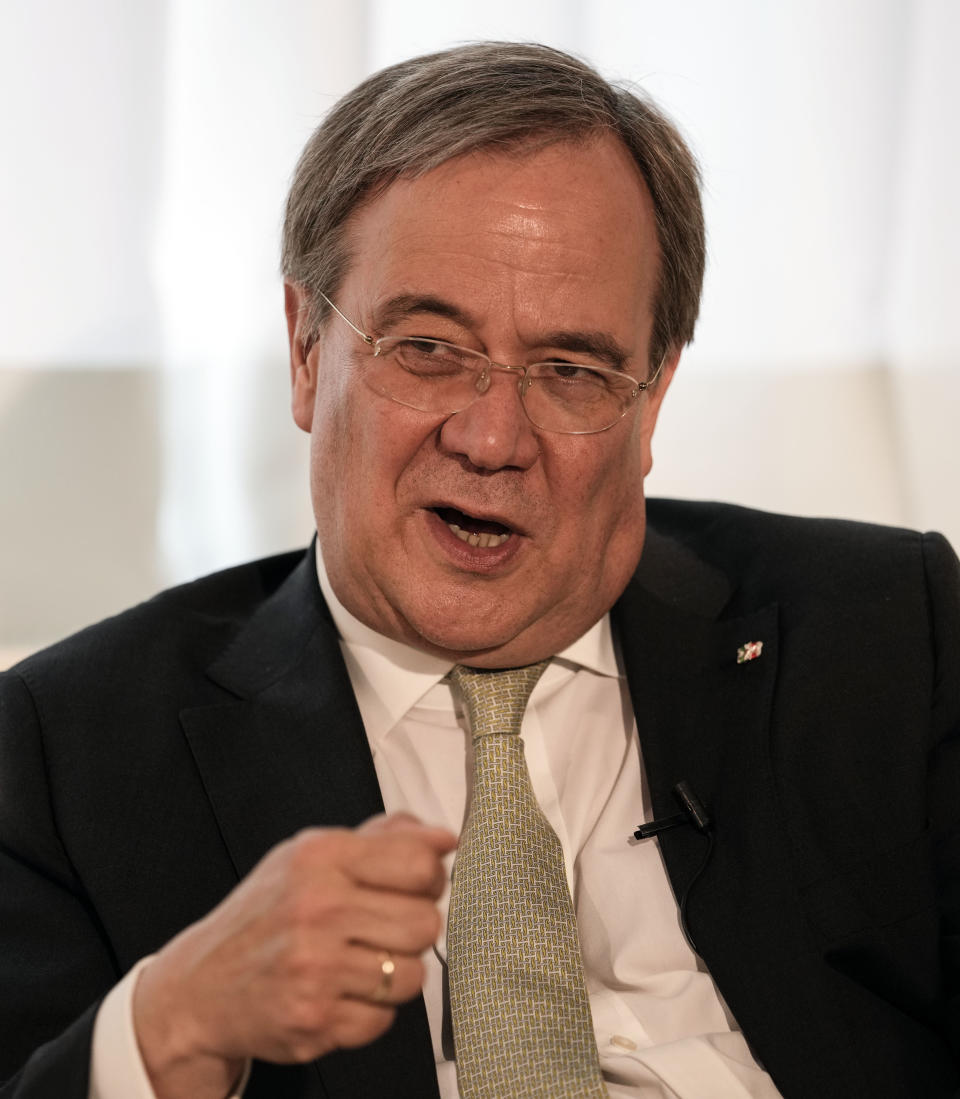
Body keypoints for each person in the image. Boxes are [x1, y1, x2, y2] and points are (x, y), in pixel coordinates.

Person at [1, 40, 958, 1099]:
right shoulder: (58, 754)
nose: (494, 436)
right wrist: (172, 1026)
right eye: (426, 348)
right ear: (307, 350)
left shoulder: (886, 637)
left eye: (571, 370)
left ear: (653, 399)